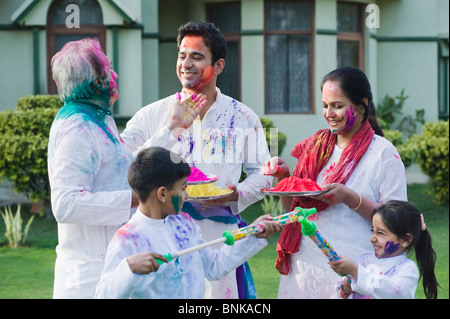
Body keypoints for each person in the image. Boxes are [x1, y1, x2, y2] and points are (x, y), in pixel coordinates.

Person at [120, 21, 272, 298]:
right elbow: (125, 166)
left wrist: (236, 194)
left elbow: (263, 173)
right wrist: (172, 129)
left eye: (197, 57)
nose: (186, 64)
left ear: (220, 65)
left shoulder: (243, 117)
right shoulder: (152, 115)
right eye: (182, 55)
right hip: (162, 235)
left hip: (221, 238)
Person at [263, 67, 407, 298]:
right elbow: (294, 210)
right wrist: (283, 178)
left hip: (350, 271)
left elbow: (398, 223)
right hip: (303, 269)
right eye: (325, 105)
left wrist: (350, 198)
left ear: (362, 106)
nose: (329, 113)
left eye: (337, 106)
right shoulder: (315, 148)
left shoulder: (383, 154)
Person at [94, 147, 280, 299]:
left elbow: (214, 267)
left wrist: (253, 235)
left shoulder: (186, 224)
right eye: (183, 188)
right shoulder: (127, 239)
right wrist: (128, 268)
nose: (187, 195)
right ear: (163, 194)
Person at [48, 38, 141, 298]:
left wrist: (171, 129)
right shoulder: (76, 129)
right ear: (97, 83)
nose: (115, 75)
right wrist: (137, 198)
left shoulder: (97, 118)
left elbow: (119, 162)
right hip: (88, 278)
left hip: (110, 266)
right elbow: (65, 204)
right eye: (108, 70)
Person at [330, 200, 439, 299]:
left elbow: (395, 293)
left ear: (406, 240)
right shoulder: (364, 261)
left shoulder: (407, 269)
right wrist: (345, 290)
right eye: (372, 230)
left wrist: (355, 271)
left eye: (380, 233)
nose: (372, 238)